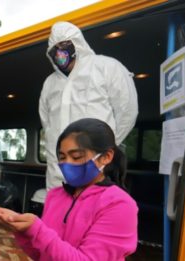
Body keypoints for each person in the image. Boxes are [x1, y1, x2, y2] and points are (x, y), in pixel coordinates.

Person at [0, 118, 138, 260]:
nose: (67, 164)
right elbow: (41, 254)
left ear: (106, 157)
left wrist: (38, 230)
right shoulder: (55, 195)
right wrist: (22, 230)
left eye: (77, 156)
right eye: (62, 157)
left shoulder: (120, 205)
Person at [39, 21, 138, 191]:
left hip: (96, 169)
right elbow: (47, 124)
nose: (59, 52)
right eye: (54, 48)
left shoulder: (106, 67)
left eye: (64, 45)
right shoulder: (50, 83)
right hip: (57, 175)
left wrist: (102, 148)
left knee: (95, 213)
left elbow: (127, 112)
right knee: (58, 216)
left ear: (77, 43)